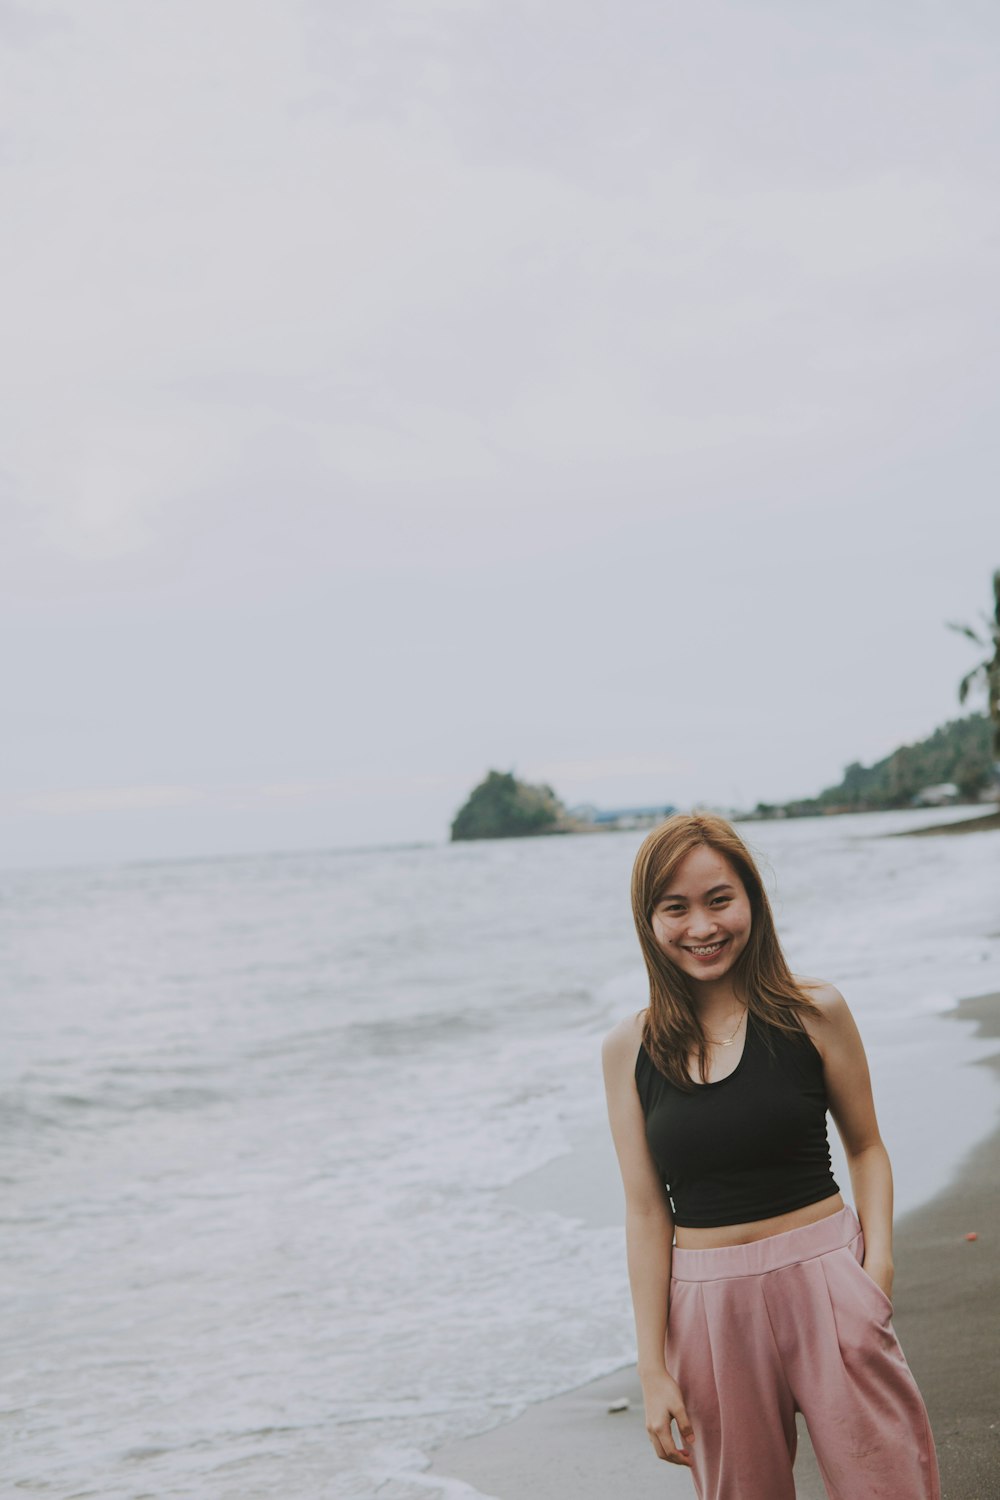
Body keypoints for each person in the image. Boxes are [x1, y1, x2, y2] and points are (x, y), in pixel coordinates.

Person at [602, 813, 940, 1500]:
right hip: (707, 1308)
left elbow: (867, 1147)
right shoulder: (629, 1050)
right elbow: (644, 1212)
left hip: (829, 1281)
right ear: (650, 921)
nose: (701, 927)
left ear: (751, 899)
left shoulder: (814, 1011)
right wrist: (652, 1367)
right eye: (676, 908)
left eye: (719, 900)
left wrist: (876, 1264)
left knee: (890, 1484)